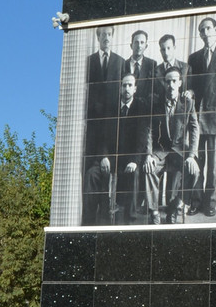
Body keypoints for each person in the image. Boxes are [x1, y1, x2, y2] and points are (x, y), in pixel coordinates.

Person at [83, 74, 152, 224]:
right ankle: (88, 222)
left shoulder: (141, 107)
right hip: (111, 158)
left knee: (133, 175)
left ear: (135, 89)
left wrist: (134, 161)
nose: (126, 88)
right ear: (120, 88)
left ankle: (130, 221)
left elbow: (142, 139)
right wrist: (104, 157)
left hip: (129, 159)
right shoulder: (111, 108)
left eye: (130, 85)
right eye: (124, 85)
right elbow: (102, 137)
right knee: (91, 174)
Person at [144, 67, 200, 223]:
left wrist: (191, 156)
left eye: (174, 81)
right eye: (168, 81)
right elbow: (148, 130)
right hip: (160, 150)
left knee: (194, 171)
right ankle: (154, 212)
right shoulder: (156, 103)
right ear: (164, 83)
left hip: (179, 151)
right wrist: (148, 155)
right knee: (149, 168)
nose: (171, 85)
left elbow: (195, 131)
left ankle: (177, 205)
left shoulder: (188, 103)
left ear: (180, 83)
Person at [187, 17, 216, 217]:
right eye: (201, 30)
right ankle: (195, 201)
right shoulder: (194, 58)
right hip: (196, 119)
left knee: (214, 167)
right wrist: (189, 93)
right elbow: (191, 86)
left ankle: (210, 203)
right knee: (196, 163)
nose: (205, 33)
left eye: (208, 28)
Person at [83, 26, 124, 224]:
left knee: (109, 182)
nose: (106, 38)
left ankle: (106, 221)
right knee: (92, 177)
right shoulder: (88, 62)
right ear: (97, 37)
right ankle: (90, 222)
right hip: (93, 130)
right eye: (103, 35)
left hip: (113, 126)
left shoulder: (120, 62)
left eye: (109, 34)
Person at [123, 30, 158, 115]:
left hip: (144, 111)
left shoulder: (152, 65)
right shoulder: (123, 64)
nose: (139, 46)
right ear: (131, 45)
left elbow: (153, 89)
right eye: (136, 42)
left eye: (142, 42)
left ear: (146, 46)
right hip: (126, 110)